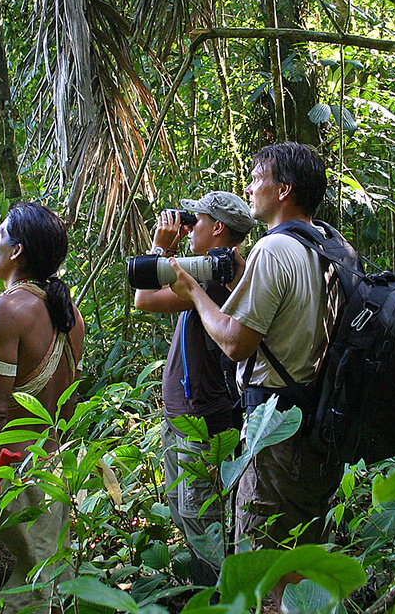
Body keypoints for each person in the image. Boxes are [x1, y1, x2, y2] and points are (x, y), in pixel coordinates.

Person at [168, 143, 342, 603]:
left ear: (283, 189)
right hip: (320, 424)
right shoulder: (330, 246)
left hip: (275, 431)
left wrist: (193, 290)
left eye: (257, 177)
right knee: (300, 565)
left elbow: (234, 340)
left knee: (263, 570)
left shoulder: (274, 249)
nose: (249, 187)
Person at [0, 202, 85, 614]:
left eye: (0, 233)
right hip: (50, 474)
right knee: (44, 591)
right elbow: (68, 402)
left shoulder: (5, 310)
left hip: (6, 484)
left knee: (3, 599)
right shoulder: (69, 317)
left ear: (17, 250)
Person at [133, 192, 255, 588]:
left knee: (204, 523)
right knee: (187, 513)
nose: (189, 228)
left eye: (197, 220)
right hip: (184, 417)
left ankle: (219, 598)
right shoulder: (210, 271)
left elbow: (143, 296)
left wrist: (160, 246)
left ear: (218, 228)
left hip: (202, 422)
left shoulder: (221, 274)